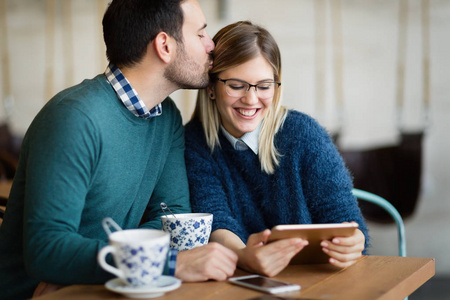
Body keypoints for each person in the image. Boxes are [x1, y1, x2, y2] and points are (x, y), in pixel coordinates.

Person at [0, 1, 238, 299]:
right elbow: (47, 250)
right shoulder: (74, 118)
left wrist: (112, 266)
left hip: (114, 285)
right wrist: (166, 264)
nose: (211, 45)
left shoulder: (167, 118)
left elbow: (173, 215)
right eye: (201, 34)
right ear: (165, 45)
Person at [184, 21, 369, 277]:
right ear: (212, 87)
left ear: (276, 85)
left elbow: (345, 219)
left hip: (319, 278)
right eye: (236, 85)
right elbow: (215, 219)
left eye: (263, 86)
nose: (251, 99)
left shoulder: (303, 134)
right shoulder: (194, 142)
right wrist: (244, 256)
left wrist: (354, 241)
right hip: (240, 280)